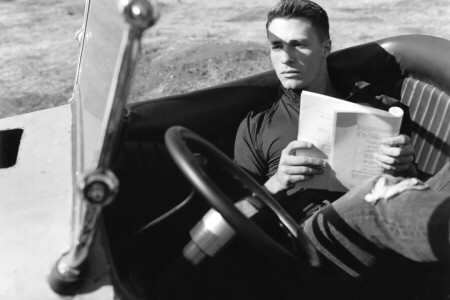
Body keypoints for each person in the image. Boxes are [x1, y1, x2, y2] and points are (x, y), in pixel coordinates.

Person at [233, 0, 449, 283]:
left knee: (390, 189)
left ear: (325, 48)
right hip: (316, 243)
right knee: (378, 194)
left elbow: (411, 185)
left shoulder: (382, 109)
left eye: (298, 44)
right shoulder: (256, 126)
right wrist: (277, 183)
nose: (286, 58)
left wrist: (404, 167)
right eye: (277, 46)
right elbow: (234, 220)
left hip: (393, 223)